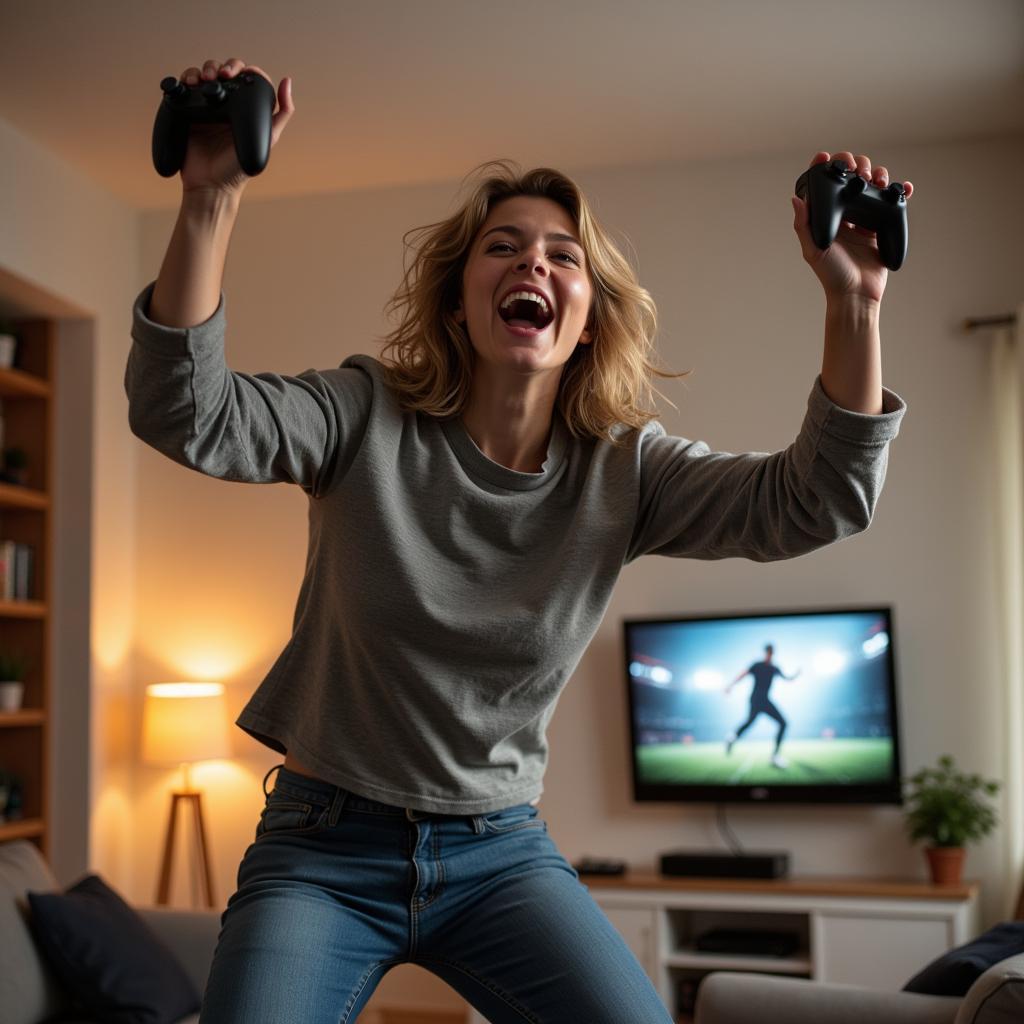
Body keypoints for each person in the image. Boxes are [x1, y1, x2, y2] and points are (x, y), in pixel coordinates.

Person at [126, 57, 912, 1024]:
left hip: (499, 854)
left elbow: (819, 499)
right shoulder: (361, 412)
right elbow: (184, 410)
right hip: (322, 849)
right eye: (503, 247)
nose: (533, 263)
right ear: (460, 301)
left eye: (563, 255)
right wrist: (209, 201)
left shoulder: (627, 469)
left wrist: (856, 302)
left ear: (586, 321)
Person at [725, 644, 802, 768]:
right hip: (756, 699)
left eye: (771, 652)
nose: (770, 654)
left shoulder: (774, 668)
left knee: (783, 723)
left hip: (765, 701)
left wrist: (796, 675)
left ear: (773, 653)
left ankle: (774, 756)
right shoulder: (757, 665)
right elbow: (743, 674)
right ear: (765, 652)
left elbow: (787, 678)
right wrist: (731, 685)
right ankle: (732, 737)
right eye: (768, 652)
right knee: (749, 722)